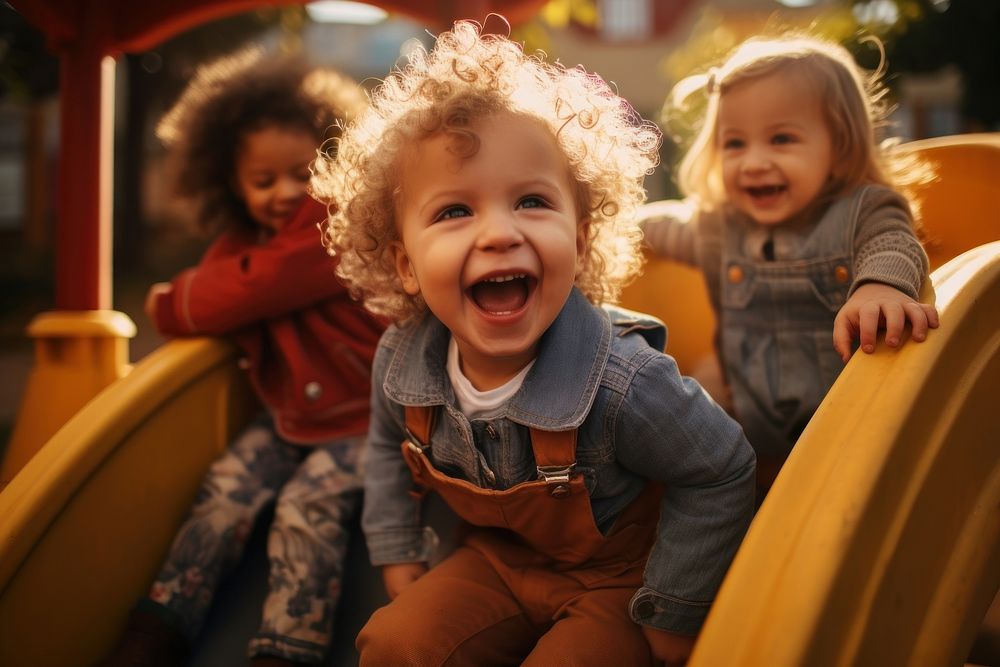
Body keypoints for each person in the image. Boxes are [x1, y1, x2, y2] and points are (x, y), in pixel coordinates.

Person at [310, 19, 756, 666]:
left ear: (578, 242)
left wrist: (675, 604)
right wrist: (396, 545)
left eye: (532, 202)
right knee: (394, 641)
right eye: (455, 211)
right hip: (496, 560)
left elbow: (721, 466)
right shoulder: (405, 362)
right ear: (405, 263)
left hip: (619, 578)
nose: (498, 233)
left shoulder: (623, 380)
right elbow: (385, 445)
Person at [99, 48, 385, 667]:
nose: (286, 193)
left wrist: (169, 301)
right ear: (229, 180)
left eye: (302, 173)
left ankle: (287, 647)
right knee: (223, 491)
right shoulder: (242, 242)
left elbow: (240, 292)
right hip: (288, 420)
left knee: (305, 508)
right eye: (263, 180)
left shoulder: (331, 232)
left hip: (367, 420)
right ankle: (159, 626)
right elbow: (230, 284)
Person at [637, 33, 939, 495]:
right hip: (751, 441)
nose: (754, 162)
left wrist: (878, 287)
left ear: (838, 148)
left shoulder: (864, 210)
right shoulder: (722, 229)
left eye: (781, 139)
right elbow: (667, 226)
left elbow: (893, 244)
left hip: (848, 441)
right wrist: (611, 220)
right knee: (689, 392)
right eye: (734, 143)